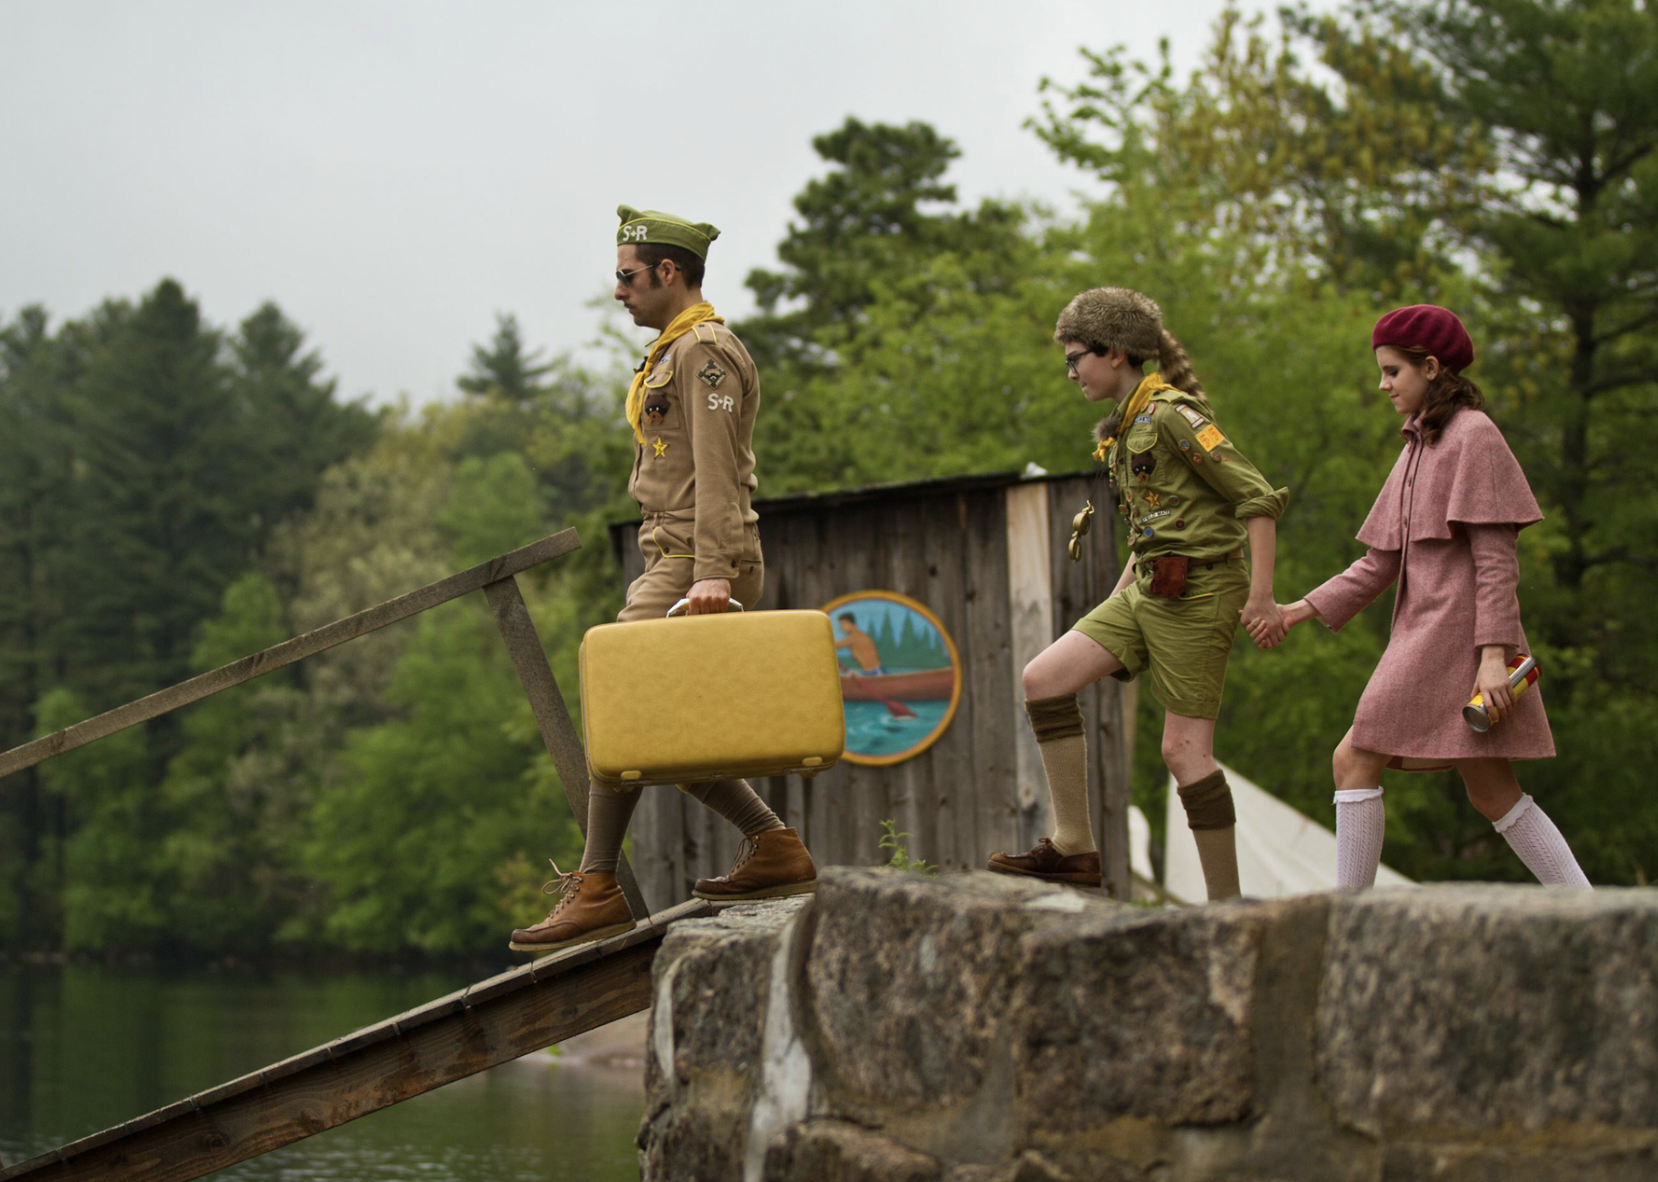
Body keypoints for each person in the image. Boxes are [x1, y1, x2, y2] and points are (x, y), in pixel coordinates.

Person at [509, 206, 817, 954]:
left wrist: (712, 570)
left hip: (695, 557)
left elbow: (716, 470)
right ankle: (773, 846)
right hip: (671, 554)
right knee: (661, 727)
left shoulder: (704, 353)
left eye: (627, 276)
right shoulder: (674, 354)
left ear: (668, 274)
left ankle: (597, 886)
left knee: (624, 704)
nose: (619, 291)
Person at [987, 287, 1288, 899]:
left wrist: (1261, 599)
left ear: (1117, 352)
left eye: (1077, 358)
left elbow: (1257, 498)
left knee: (1183, 752)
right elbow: (1155, 524)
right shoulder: (1126, 427)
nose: (1071, 372)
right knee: (1043, 678)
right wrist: (1118, 600)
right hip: (1150, 584)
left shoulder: (1174, 415)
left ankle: (1226, 909)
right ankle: (1074, 846)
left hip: (1201, 591)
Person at [1275, 305, 1590, 889]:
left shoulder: (1475, 435)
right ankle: (1588, 908)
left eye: (1393, 371)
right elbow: (1380, 562)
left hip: (1455, 641)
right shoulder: (1419, 443)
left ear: (1431, 366)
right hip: (1428, 635)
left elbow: (1497, 559)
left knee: (1354, 758)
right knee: (1492, 790)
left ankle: (1351, 920)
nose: (1383, 384)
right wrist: (1296, 611)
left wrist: (1493, 656)